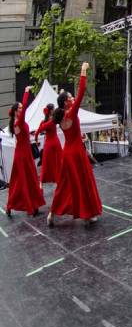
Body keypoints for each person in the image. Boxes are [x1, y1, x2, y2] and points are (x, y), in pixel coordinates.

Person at [47, 62, 102, 227]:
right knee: (83, 184)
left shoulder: (59, 118)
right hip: (77, 153)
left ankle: (52, 213)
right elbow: (82, 91)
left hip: (67, 154)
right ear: (65, 103)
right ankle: (87, 215)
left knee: (64, 185)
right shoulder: (71, 112)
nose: (72, 98)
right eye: (69, 98)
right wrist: (83, 70)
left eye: (71, 97)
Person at [5, 86, 45, 217]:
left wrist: (30, 133)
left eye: (22, 108)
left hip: (22, 153)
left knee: (22, 181)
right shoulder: (19, 121)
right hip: (23, 155)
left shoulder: (16, 122)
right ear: (16, 112)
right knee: (26, 181)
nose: (22, 109)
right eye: (20, 108)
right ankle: (30, 206)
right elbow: (26, 105)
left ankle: (14, 206)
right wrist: (26, 92)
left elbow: (22, 136)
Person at [34, 103, 63, 188]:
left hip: (48, 144)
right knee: (57, 162)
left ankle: (41, 184)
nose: (54, 110)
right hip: (55, 143)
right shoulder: (52, 120)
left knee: (46, 164)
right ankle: (58, 181)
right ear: (51, 110)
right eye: (53, 109)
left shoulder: (44, 121)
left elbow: (37, 131)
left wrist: (36, 140)